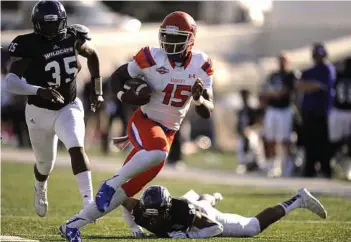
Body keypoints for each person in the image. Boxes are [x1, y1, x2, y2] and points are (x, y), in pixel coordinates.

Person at [59, 11, 215, 241]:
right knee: (156, 154)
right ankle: (110, 183)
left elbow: (207, 110)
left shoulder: (202, 64)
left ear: (190, 39)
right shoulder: (151, 56)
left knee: (126, 192)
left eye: (176, 38)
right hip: (145, 122)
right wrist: (124, 95)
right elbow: (117, 76)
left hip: (168, 132)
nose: (169, 43)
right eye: (167, 37)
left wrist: (199, 98)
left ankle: (72, 225)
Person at [4, 0, 103, 217]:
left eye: (55, 23)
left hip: (69, 106)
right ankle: (40, 187)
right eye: (45, 24)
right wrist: (39, 90)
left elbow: (92, 55)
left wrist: (97, 89)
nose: (51, 29)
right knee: (44, 164)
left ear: (63, 22)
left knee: (77, 147)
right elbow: (11, 81)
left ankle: (89, 204)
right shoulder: (27, 43)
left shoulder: (73, 37)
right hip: (38, 112)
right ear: (36, 24)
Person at [121, 185, 327, 238]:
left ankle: (298, 199)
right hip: (189, 202)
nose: (151, 219)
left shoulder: (184, 213)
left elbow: (215, 228)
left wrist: (188, 235)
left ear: (166, 210)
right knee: (199, 201)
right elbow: (122, 200)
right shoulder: (142, 209)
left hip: (200, 213)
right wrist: (134, 226)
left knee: (251, 228)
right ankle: (210, 196)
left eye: (156, 213)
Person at [296, 43, 335, 178]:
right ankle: (310, 170)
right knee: (309, 142)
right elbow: (299, 84)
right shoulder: (311, 70)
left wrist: (309, 85)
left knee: (323, 142)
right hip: (308, 111)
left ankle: (325, 169)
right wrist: (309, 85)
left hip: (322, 111)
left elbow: (318, 86)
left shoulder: (327, 69)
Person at [260, 53, 300, 177]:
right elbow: (265, 91)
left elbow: (286, 91)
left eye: (284, 60)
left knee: (285, 139)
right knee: (270, 138)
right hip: (272, 109)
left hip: (285, 109)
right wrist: (271, 94)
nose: (282, 63)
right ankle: (273, 165)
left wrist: (275, 93)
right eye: (280, 60)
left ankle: (287, 165)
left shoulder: (291, 75)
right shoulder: (273, 75)